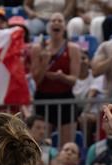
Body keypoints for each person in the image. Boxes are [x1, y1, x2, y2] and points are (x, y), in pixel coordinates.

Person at [28, 13, 80, 151]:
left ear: (64, 26)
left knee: (66, 146)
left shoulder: (73, 49)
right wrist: (44, 63)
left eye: (60, 20)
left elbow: (74, 80)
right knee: (41, 145)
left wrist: (61, 77)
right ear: (48, 26)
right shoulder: (38, 48)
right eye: (53, 20)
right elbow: (36, 81)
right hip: (43, 97)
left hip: (65, 98)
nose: (56, 23)